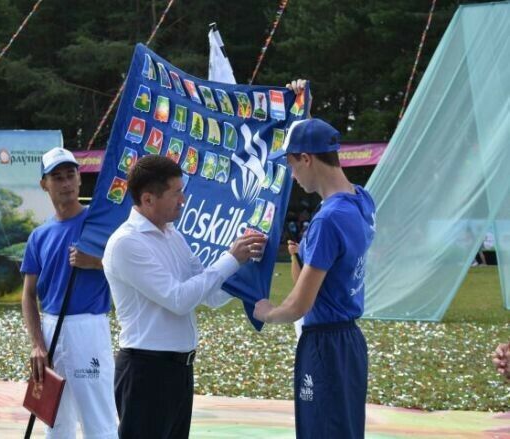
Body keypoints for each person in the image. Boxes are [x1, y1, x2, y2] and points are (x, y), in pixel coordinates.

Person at [102, 155, 267, 439]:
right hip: (146, 371)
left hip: (178, 371)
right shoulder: (126, 243)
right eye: (176, 193)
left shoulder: (171, 234)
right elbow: (178, 300)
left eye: (182, 190)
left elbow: (210, 294)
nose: (183, 200)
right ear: (148, 199)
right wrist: (230, 259)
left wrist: (246, 263)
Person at [254, 80, 377, 439]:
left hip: (323, 344)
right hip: (349, 343)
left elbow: (299, 303)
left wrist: (266, 313)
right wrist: (305, 116)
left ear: (306, 159)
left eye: (292, 165)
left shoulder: (327, 221)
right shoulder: (361, 199)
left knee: (321, 431)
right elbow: (322, 148)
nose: (291, 175)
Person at [20, 147, 118, 439]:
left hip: (88, 328)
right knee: (56, 422)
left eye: (70, 175)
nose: (65, 183)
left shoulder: (98, 225)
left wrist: (97, 262)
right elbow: (27, 295)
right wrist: (37, 344)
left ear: (79, 180)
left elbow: (129, 269)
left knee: (98, 421)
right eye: (57, 177)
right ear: (44, 184)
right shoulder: (39, 236)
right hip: (50, 330)